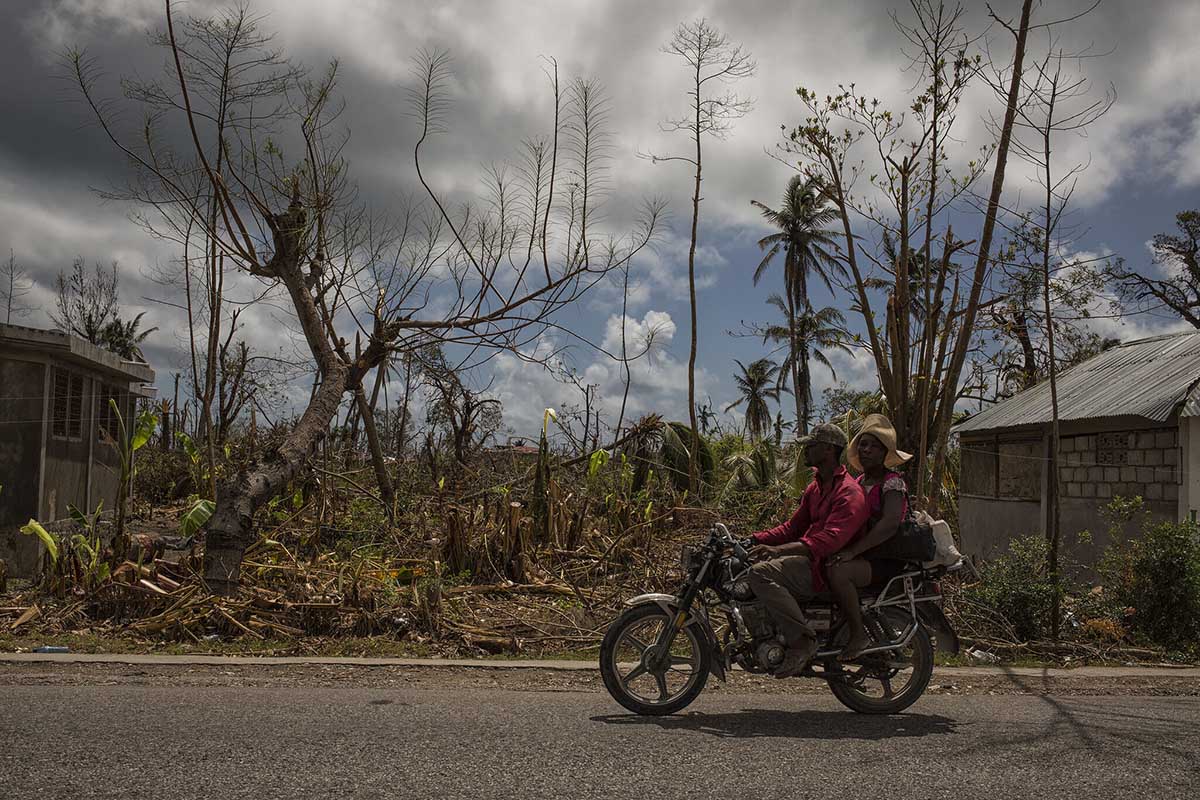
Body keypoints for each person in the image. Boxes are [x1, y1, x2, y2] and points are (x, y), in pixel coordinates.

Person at [747, 423, 869, 677]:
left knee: (761, 574)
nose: (805, 451)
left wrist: (778, 551)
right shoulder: (815, 487)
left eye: (810, 446)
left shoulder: (849, 492)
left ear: (827, 450)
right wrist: (752, 539)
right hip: (811, 561)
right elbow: (792, 528)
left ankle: (802, 641)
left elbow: (830, 541)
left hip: (823, 568)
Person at [827, 413, 912, 661]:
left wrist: (852, 552)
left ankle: (858, 634)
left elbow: (889, 524)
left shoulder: (892, 483)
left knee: (838, 572)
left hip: (883, 559)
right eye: (863, 444)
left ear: (885, 453)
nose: (866, 450)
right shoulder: (857, 481)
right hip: (861, 555)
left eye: (874, 446)